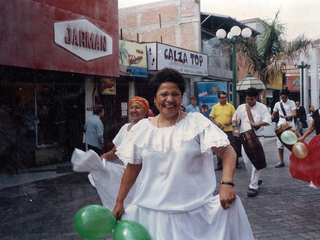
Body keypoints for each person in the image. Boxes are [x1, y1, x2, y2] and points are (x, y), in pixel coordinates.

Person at [112, 68, 254, 240]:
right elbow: (132, 168)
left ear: (181, 98)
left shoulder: (196, 123)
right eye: (163, 94)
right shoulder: (142, 129)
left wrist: (227, 183)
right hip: (153, 215)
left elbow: (228, 151)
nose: (170, 99)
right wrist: (120, 201)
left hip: (194, 216)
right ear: (155, 98)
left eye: (175, 94)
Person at [72, 97, 150, 210]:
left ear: (145, 111)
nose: (134, 110)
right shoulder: (124, 128)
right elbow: (115, 151)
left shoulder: (149, 127)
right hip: (127, 174)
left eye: (138, 107)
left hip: (144, 178)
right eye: (131, 107)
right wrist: (106, 156)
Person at [232, 87, 271, 197]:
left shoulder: (262, 108)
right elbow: (235, 120)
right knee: (247, 161)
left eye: (251, 99)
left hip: (258, 137)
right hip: (245, 138)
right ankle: (255, 179)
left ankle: (253, 186)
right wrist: (235, 124)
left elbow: (268, 121)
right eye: (248, 99)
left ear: (256, 97)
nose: (249, 101)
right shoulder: (241, 108)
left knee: (256, 161)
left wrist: (256, 124)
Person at [209, 91, 241, 170]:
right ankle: (220, 164)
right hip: (219, 131)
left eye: (225, 97)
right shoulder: (215, 107)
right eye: (222, 98)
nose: (224, 99)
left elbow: (235, 117)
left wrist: (230, 122)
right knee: (219, 147)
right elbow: (211, 118)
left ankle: (236, 163)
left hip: (229, 130)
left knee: (232, 147)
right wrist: (216, 123)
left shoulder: (230, 106)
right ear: (219, 99)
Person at [271, 90, 296, 168]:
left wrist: (285, 117)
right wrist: (268, 120)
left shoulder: (292, 103)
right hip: (280, 125)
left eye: (285, 98)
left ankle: (296, 161)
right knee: (279, 143)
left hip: (290, 124)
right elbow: (273, 114)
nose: (284, 99)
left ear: (288, 96)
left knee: (293, 142)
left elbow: (294, 114)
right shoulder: (278, 104)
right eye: (282, 98)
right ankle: (281, 161)